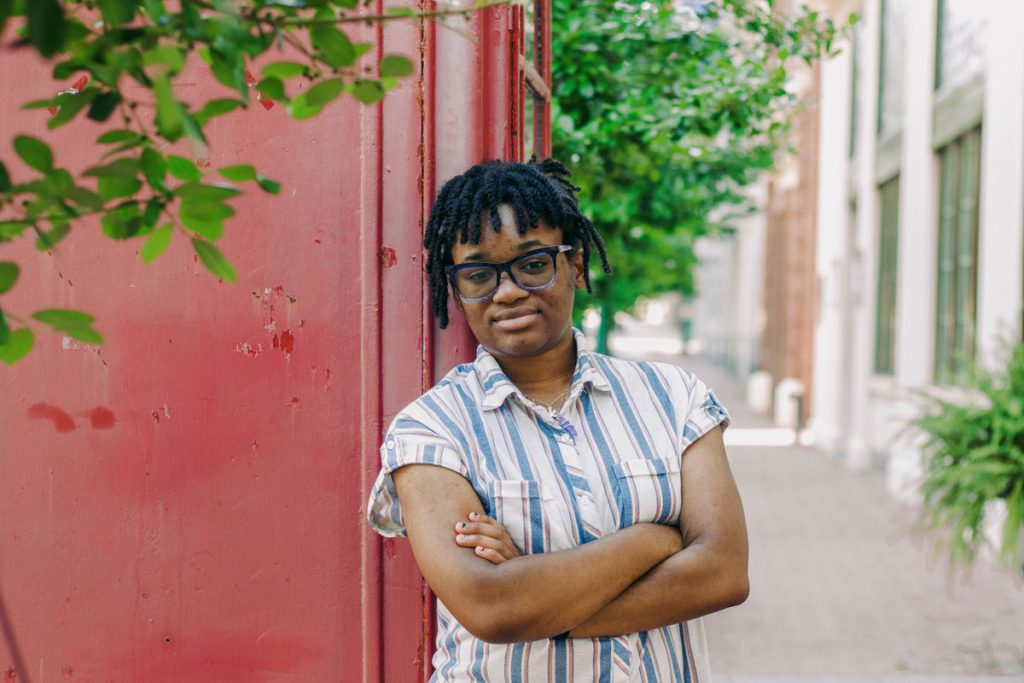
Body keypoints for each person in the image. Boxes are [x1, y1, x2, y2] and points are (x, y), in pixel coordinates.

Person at [367, 157, 748, 682]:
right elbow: (491, 608)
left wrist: (537, 599)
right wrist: (655, 540)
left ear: (577, 266)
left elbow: (723, 574)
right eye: (479, 274)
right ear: (456, 290)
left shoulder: (675, 398)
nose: (506, 291)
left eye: (532, 264)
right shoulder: (432, 430)